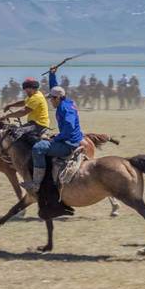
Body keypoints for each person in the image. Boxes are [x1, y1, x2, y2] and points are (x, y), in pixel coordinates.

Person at [22, 66, 84, 194]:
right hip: (69, 138)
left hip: (69, 144)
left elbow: (69, 128)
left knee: (38, 148)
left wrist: (55, 138)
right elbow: (55, 89)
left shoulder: (65, 110)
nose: (50, 101)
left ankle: (36, 184)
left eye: (51, 99)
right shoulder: (66, 101)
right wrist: (52, 74)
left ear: (57, 98)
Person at [2, 76, 50, 150]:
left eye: (27, 90)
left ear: (32, 88)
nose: (26, 92)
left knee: (16, 133)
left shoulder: (36, 97)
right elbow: (24, 102)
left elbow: (24, 111)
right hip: (34, 123)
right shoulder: (33, 94)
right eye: (25, 90)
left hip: (39, 124)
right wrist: (10, 105)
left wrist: (7, 115)